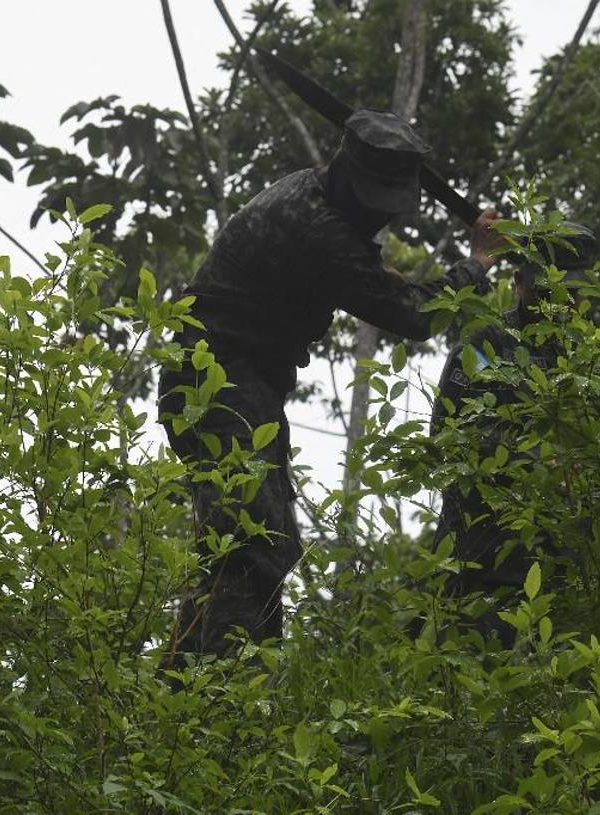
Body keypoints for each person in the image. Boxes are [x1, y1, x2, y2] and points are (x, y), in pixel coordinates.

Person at [157, 108, 506, 666]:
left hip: (236, 381)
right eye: (371, 200)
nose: (377, 217)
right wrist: (477, 263)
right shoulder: (316, 228)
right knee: (253, 539)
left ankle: (194, 686)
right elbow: (415, 316)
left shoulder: (315, 199)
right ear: (346, 178)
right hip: (215, 379)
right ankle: (222, 692)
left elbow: (375, 280)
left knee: (245, 541)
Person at [425, 229, 596, 648]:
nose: (560, 303)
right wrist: (537, 456)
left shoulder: (593, 356)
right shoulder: (488, 344)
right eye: (547, 290)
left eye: (568, 292)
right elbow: (447, 436)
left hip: (566, 565)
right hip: (483, 560)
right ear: (520, 283)